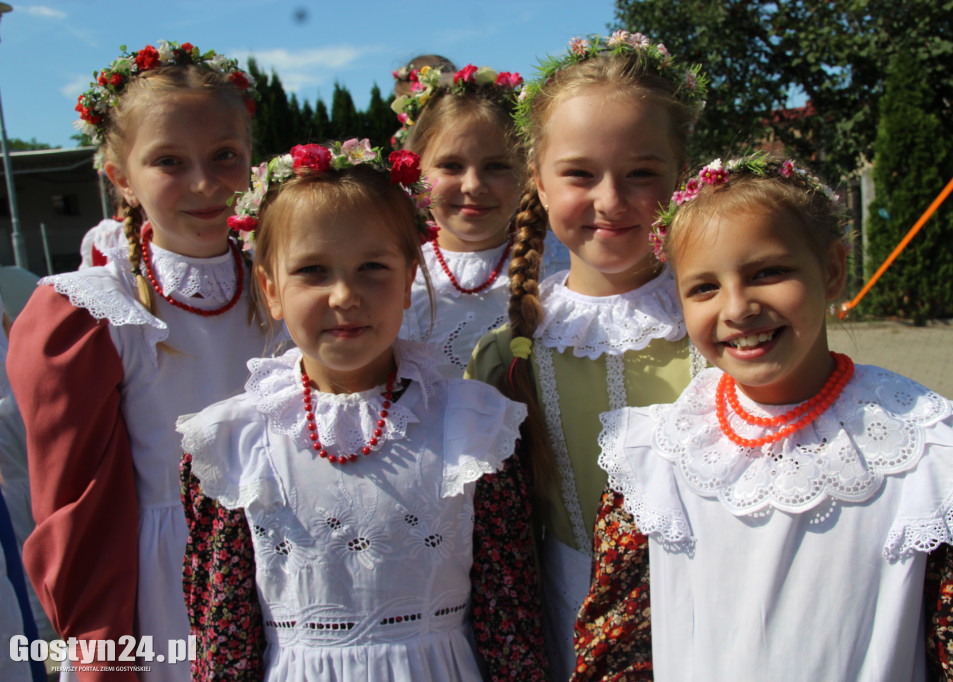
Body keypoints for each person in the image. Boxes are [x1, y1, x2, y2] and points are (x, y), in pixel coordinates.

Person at [591, 154, 953, 680]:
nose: (737, 308)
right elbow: (618, 650)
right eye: (703, 287)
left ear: (833, 270)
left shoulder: (933, 454)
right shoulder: (652, 459)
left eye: (768, 272)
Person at [179, 140, 548, 680]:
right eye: (312, 271)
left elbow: (508, 619)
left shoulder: (473, 429)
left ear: (407, 281)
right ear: (271, 288)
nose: (345, 295)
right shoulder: (232, 443)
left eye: (372, 266)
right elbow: (222, 636)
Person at [6, 41, 265, 682]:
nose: (205, 183)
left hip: (287, 567)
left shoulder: (284, 280)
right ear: (119, 174)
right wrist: (102, 651)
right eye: (170, 162)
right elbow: (74, 508)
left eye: (224, 156)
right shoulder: (95, 310)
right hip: (167, 589)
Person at [465, 32, 707, 679]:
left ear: (680, 178)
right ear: (538, 182)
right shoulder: (508, 352)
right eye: (580, 173)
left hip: (714, 613)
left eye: (641, 173)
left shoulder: (718, 330)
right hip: (571, 620)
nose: (610, 199)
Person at [394, 62, 525, 375]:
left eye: (496, 166)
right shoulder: (396, 271)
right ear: (416, 169)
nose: (474, 186)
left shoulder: (559, 263)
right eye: (451, 166)